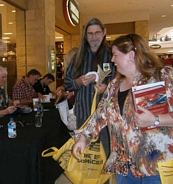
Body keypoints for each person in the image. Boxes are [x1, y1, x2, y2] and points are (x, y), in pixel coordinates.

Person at [72, 34, 173, 183]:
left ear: (131, 55)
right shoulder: (114, 85)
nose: (112, 60)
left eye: (115, 55)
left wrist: (155, 120)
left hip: (155, 166)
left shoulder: (161, 77)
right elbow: (100, 115)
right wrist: (83, 138)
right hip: (123, 167)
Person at [64, 18, 115, 157]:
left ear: (104, 32)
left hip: (105, 117)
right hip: (83, 115)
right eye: (90, 34)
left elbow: (122, 84)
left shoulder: (112, 55)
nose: (93, 37)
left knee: (104, 156)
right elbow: (67, 83)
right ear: (85, 35)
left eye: (97, 33)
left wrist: (107, 88)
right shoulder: (78, 57)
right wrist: (78, 82)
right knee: (85, 156)